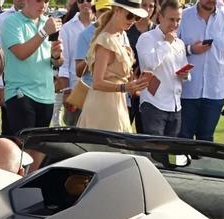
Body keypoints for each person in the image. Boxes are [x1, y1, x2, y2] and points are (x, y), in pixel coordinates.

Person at [78, 0, 148, 132]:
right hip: (102, 105)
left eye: (136, 17)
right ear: (117, 10)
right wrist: (124, 87)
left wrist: (133, 85)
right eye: (129, 16)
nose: (133, 20)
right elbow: (97, 83)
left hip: (118, 102)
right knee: (105, 149)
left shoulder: (121, 35)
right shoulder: (106, 40)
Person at [178, 0, 224, 141]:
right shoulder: (183, 17)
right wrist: (191, 49)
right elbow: (171, 49)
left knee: (206, 140)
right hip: (187, 91)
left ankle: (202, 163)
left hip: (215, 92)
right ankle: (183, 163)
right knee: (183, 139)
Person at [0, 0, 62, 136]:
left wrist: (56, 56)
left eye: (46, 1)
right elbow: (21, 53)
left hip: (46, 95)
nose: (43, 5)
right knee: (24, 147)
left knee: (40, 148)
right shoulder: (11, 22)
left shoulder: (48, 23)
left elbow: (57, 63)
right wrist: (44, 32)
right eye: (39, 0)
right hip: (21, 92)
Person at [136, 0, 186, 136]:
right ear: (160, 17)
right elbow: (149, 64)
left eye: (178, 20)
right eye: (171, 19)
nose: (175, 24)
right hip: (154, 104)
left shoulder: (179, 43)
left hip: (175, 106)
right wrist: (166, 43)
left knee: (170, 152)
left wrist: (185, 75)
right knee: (156, 153)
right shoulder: (146, 38)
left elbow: (184, 68)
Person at [58, 0, 94, 126]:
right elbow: (64, 62)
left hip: (99, 91)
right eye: (80, 0)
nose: (85, 3)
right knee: (74, 134)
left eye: (89, 0)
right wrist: (67, 90)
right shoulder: (66, 28)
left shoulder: (103, 26)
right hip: (75, 90)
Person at [124, 0, 156, 128]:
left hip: (150, 88)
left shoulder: (157, 30)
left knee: (144, 131)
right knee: (123, 131)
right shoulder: (127, 29)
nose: (147, 9)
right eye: (144, 5)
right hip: (128, 86)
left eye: (151, 6)